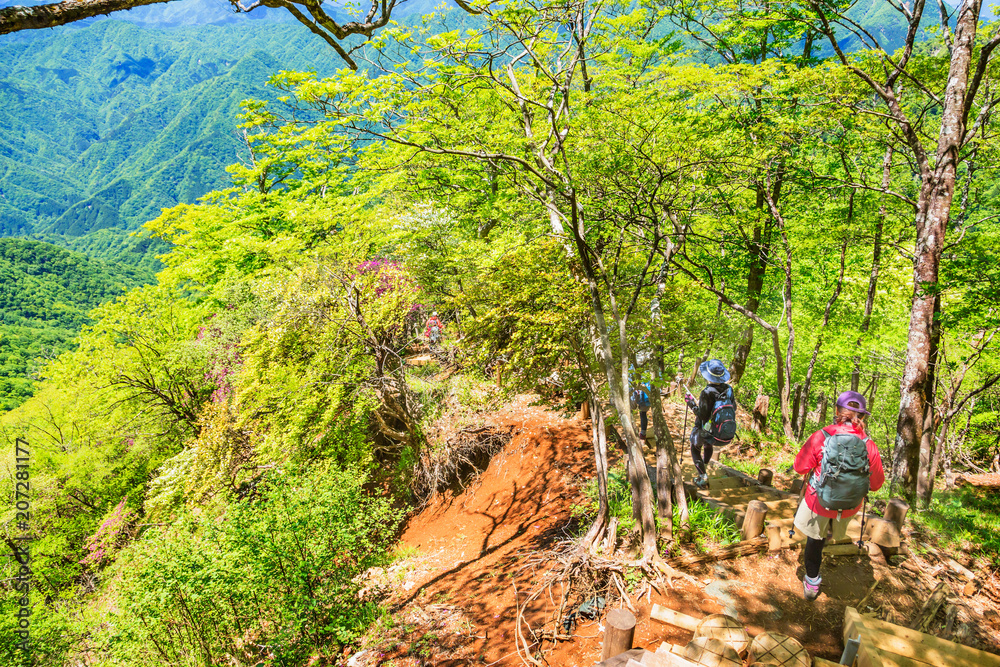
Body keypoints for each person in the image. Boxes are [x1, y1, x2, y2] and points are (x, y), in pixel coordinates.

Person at [792, 390, 884, 601]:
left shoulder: (822, 436)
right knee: (833, 526)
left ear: (836, 411)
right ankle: (832, 532)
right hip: (850, 505)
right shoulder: (869, 445)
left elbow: (800, 467)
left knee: (814, 539)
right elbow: (877, 484)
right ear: (862, 417)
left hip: (819, 503)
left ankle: (812, 583)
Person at [684, 359, 737, 488]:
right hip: (721, 433)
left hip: (708, 431)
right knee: (707, 443)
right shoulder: (729, 389)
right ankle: (705, 466)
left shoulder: (707, 392)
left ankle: (703, 477)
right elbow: (733, 408)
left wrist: (691, 404)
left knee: (694, 446)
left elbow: (702, 415)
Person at [629, 366, 652, 441]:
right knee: (643, 413)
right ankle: (643, 434)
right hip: (646, 394)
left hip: (636, 393)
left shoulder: (632, 366)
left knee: (629, 410)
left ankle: (631, 430)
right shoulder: (650, 369)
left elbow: (629, 381)